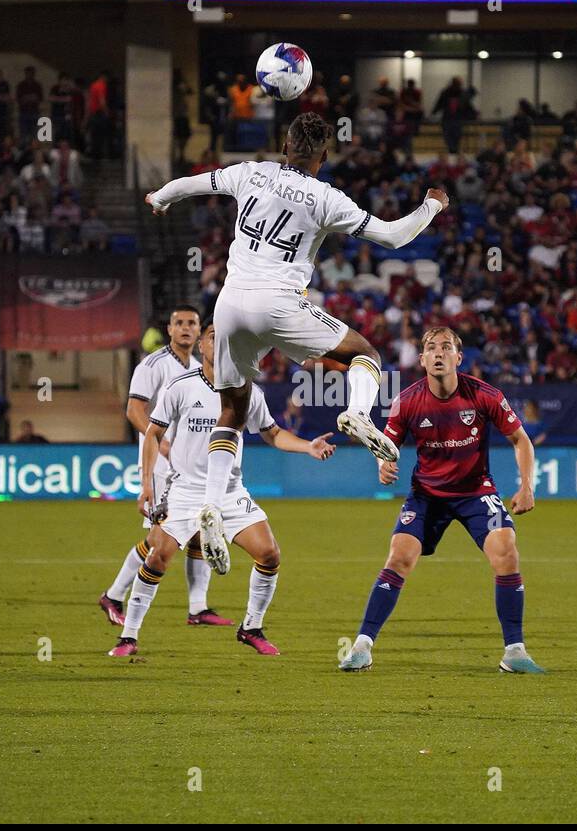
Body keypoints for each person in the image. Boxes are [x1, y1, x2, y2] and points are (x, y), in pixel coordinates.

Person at [145, 112, 450, 574]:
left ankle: (209, 507)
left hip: (229, 305)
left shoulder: (252, 172)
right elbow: (392, 236)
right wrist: (432, 206)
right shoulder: (328, 197)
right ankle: (358, 412)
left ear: (285, 147)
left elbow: (193, 184)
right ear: (324, 157)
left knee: (231, 408)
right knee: (364, 353)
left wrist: (159, 197)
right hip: (281, 303)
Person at [114, 320, 335, 657]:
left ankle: (252, 628)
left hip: (230, 492)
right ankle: (128, 636)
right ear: (202, 346)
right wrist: (146, 485)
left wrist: (308, 446)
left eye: (225, 339)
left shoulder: (248, 391)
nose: (219, 344)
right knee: (158, 556)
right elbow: (152, 434)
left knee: (269, 554)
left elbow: (272, 433)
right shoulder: (180, 387)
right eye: (214, 338)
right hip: (186, 491)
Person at [339, 326, 544, 674]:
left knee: (506, 550)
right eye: (431, 348)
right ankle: (362, 645)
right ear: (421, 359)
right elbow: (385, 444)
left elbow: (521, 440)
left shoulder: (485, 395)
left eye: (446, 347)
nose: (438, 353)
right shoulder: (407, 401)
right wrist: (383, 463)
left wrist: (527, 486)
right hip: (426, 495)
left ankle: (514, 650)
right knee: (400, 556)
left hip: (476, 491)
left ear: (458, 358)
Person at [96, 305, 227, 629]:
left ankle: (198, 607)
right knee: (160, 540)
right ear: (169, 329)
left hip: (188, 467)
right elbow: (134, 410)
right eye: (179, 323)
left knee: (198, 532)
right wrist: (163, 442)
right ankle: (114, 596)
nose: (185, 328)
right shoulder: (152, 365)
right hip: (160, 463)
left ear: (199, 333)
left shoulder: (200, 367)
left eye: (192, 323)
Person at [15, 66, 44, 142]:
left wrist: (27, 98)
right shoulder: (21, 85)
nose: (29, 75)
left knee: (34, 134)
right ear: (25, 74)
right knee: (23, 135)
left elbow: (39, 98)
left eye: (31, 73)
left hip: (34, 112)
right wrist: (31, 97)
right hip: (23, 113)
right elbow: (19, 99)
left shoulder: (37, 85)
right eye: (28, 73)